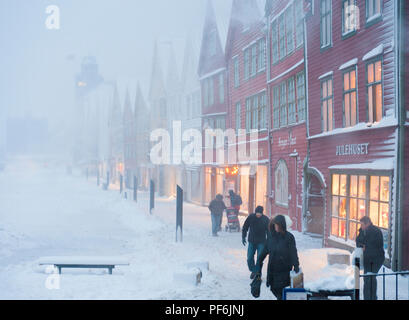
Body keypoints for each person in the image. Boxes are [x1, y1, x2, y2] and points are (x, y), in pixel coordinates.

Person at [256, 215, 300, 300]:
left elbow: (293, 252)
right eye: (275, 225)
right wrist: (259, 261)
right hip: (272, 269)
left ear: (282, 225)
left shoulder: (289, 237)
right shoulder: (271, 237)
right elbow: (265, 251)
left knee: (281, 291)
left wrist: (296, 265)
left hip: (284, 269)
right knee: (273, 289)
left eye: (277, 225)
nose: (276, 227)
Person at [356, 216, 385, 300]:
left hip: (376, 258)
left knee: (370, 277)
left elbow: (376, 245)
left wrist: (366, 246)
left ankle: (372, 297)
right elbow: (358, 242)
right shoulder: (362, 231)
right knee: (367, 278)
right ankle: (368, 297)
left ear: (367, 223)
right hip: (367, 258)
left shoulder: (376, 231)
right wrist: (363, 245)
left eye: (362, 224)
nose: (361, 226)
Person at [242, 206, 270, 280]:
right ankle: (254, 271)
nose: (258, 215)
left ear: (262, 213)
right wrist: (243, 236)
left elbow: (269, 231)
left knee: (259, 259)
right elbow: (245, 227)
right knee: (249, 258)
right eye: (257, 213)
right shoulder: (251, 217)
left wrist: (270, 241)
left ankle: (258, 273)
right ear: (255, 212)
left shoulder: (266, 219)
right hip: (252, 241)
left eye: (259, 213)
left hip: (262, 242)